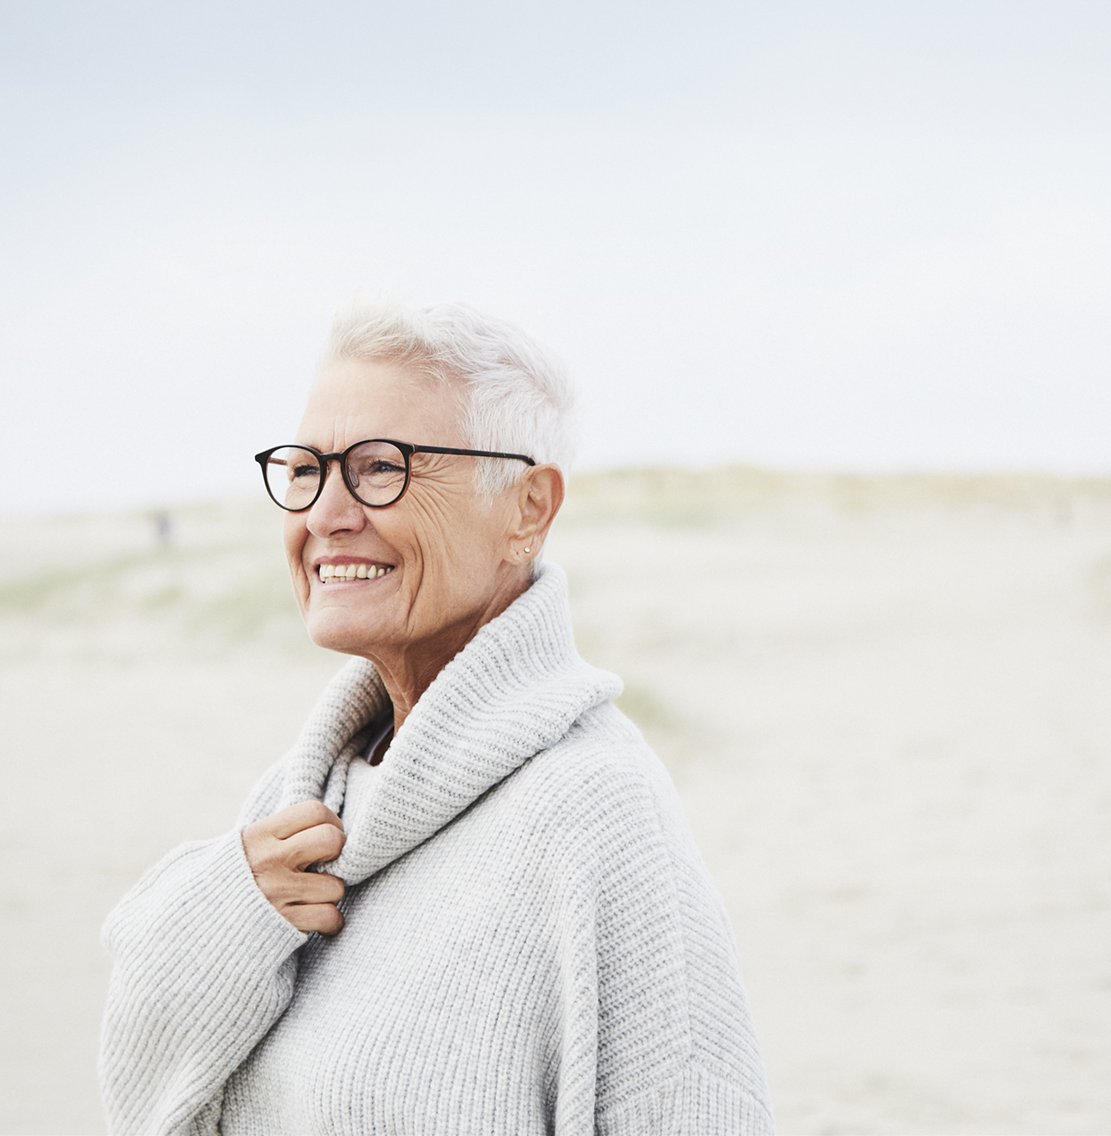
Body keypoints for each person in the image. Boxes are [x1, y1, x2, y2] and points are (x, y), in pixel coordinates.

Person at [99, 299, 774, 1135]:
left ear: (526, 507)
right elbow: (138, 1098)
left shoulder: (591, 809)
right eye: (306, 469)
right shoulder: (302, 797)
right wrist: (220, 921)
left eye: (381, 467)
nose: (324, 515)